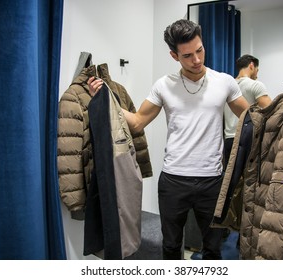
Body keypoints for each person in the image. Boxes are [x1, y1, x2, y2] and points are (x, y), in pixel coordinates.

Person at [88, 19, 249, 260]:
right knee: (171, 247)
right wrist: (105, 97)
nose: (196, 60)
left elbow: (251, 119)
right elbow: (138, 121)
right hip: (174, 181)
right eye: (187, 55)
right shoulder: (164, 85)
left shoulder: (224, 81)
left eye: (200, 50)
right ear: (174, 56)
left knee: (213, 249)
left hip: (212, 182)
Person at [223, 54, 271, 167]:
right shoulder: (255, 85)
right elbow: (271, 110)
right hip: (247, 139)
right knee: (250, 180)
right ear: (251, 65)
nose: (257, 74)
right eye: (257, 70)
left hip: (229, 140)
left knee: (230, 181)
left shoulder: (228, 87)